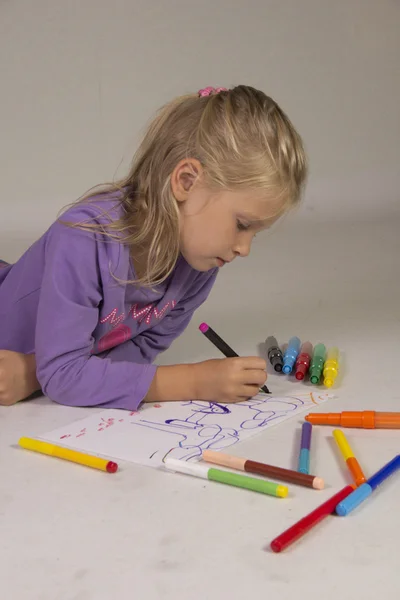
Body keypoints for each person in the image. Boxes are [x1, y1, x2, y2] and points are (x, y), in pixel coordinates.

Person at [0, 85, 307, 409]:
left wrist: (37, 372)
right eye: (242, 225)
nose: (244, 249)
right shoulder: (83, 240)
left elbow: (136, 351)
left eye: (255, 234)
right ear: (186, 182)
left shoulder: (199, 265)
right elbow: (63, 377)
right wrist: (194, 381)